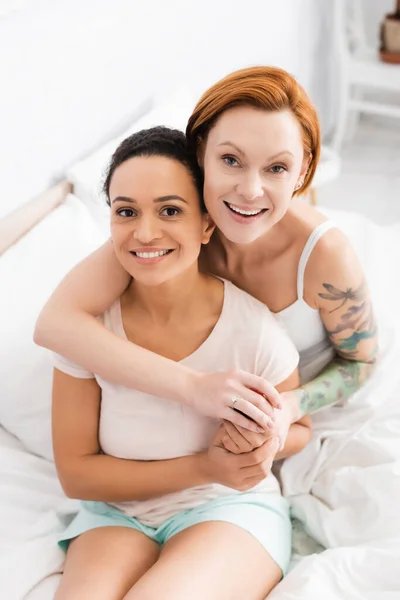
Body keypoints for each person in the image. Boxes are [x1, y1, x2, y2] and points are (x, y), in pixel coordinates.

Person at [35, 65, 378, 446]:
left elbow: (361, 362)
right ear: (201, 153)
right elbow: (55, 323)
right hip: (208, 411)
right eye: (231, 160)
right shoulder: (177, 227)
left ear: (302, 171)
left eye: (276, 168)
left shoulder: (326, 257)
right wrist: (192, 387)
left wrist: (287, 409)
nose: (249, 190)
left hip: (290, 418)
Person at [52, 126, 312, 600]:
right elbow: (77, 474)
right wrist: (205, 465)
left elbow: (301, 428)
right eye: (125, 212)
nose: (145, 232)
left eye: (170, 210)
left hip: (228, 508)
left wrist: (266, 437)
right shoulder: (89, 332)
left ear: (207, 224)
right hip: (116, 513)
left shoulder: (253, 333)